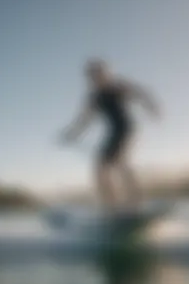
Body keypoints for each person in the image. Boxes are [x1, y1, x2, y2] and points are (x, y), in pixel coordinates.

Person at [60, 59, 160, 211]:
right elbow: (84, 119)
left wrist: (152, 107)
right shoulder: (94, 98)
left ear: (107, 73)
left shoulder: (117, 87)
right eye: (93, 76)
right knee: (100, 168)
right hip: (113, 133)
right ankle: (111, 207)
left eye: (100, 74)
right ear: (90, 78)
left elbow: (140, 93)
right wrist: (72, 134)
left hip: (127, 129)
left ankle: (136, 201)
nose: (97, 78)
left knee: (120, 162)